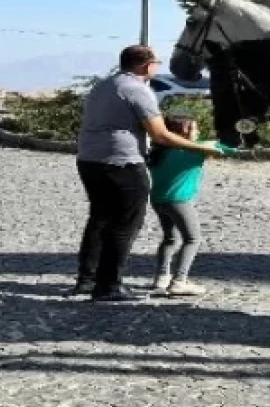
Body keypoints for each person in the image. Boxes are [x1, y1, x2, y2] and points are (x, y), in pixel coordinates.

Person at [69, 45, 226, 302]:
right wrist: (200, 147)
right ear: (145, 66)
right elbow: (160, 134)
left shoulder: (104, 85)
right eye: (156, 63)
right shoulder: (138, 90)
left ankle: (87, 280)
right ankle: (109, 286)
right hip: (122, 162)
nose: (158, 68)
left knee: (99, 219)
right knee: (123, 223)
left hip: (89, 160)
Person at [147, 111, 235, 296]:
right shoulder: (194, 151)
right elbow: (229, 149)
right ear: (184, 132)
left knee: (170, 238)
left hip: (158, 199)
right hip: (179, 201)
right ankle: (180, 280)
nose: (198, 132)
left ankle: (161, 277)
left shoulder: (158, 152)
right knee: (192, 239)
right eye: (195, 128)